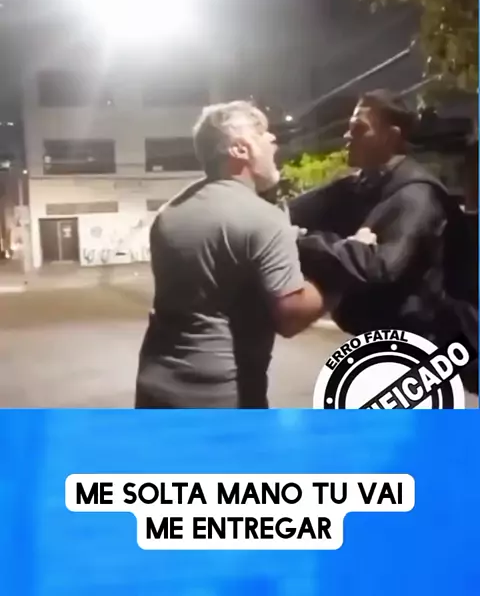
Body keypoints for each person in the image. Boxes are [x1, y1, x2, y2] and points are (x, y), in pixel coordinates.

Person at [135, 101, 329, 409]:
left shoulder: (169, 212)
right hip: (223, 400)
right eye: (262, 132)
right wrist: (346, 267)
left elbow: (220, 263)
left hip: (154, 393)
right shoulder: (262, 217)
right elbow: (291, 316)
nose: (273, 140)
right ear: (239, 149)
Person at [290, 90, 478, 383]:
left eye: (359, 128)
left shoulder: (417, 195)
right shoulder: (360, 184)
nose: (347, 136)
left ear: (390, 137)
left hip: (420, 352)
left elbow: (382, 267)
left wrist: (303, 241)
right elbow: (289, 212)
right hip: (384, 345)